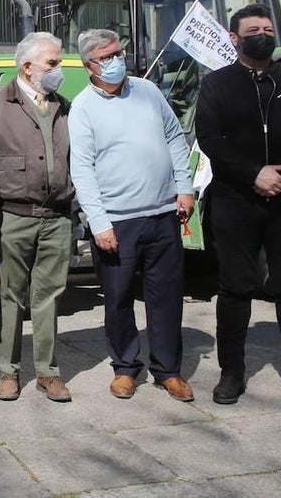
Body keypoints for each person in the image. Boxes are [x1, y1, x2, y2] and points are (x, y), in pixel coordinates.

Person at [195, 3, 281, 414]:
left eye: (268, 28)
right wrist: (254, 173)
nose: (263, 34)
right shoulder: (216, 85)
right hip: (236, 200)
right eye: (253, 29)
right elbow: (210, 137)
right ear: (235, 39)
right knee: (235, 288)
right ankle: (231, 373)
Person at [68, 29, 195, 402]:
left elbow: (174, 137)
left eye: (118, 52)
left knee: (167, 297)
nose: (115, 61)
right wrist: (99, 222)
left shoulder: (149, 92)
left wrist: (183, 186)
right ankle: (125, 368)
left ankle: (168, 370)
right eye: (106, 57)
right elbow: (83, 169)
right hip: (117, 222)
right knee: (118, 298)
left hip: (162, 214)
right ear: (88, 65)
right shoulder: (83, 108)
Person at [0, 31, 75, 403]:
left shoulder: (63, 106)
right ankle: (8, 372)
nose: (57, 70)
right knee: (10, 295)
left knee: (49, 296)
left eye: (58, 63)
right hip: (12, 217)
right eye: (52, 63)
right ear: (27, 65)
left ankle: (48, 372)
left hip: (58, 218)